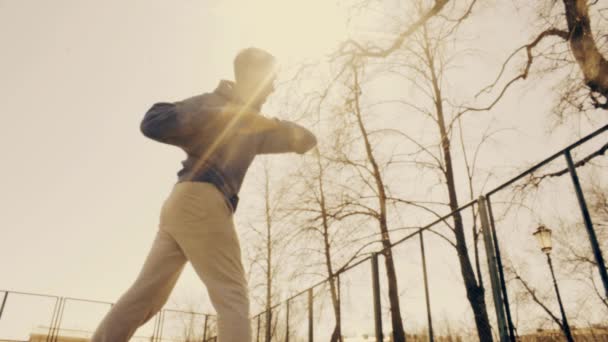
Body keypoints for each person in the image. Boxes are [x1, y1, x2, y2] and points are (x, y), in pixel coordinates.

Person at [91, 47, 317, 342]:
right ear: (253, 76)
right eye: (271, 79)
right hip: (202, 198)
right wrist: (223, 116)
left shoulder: (256, 126)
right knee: (232, 294)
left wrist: (270, 124)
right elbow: (152, 121)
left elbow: (308, 140)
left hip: (184, 206)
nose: (274, 87)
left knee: (145, 297)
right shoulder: (212, 102)